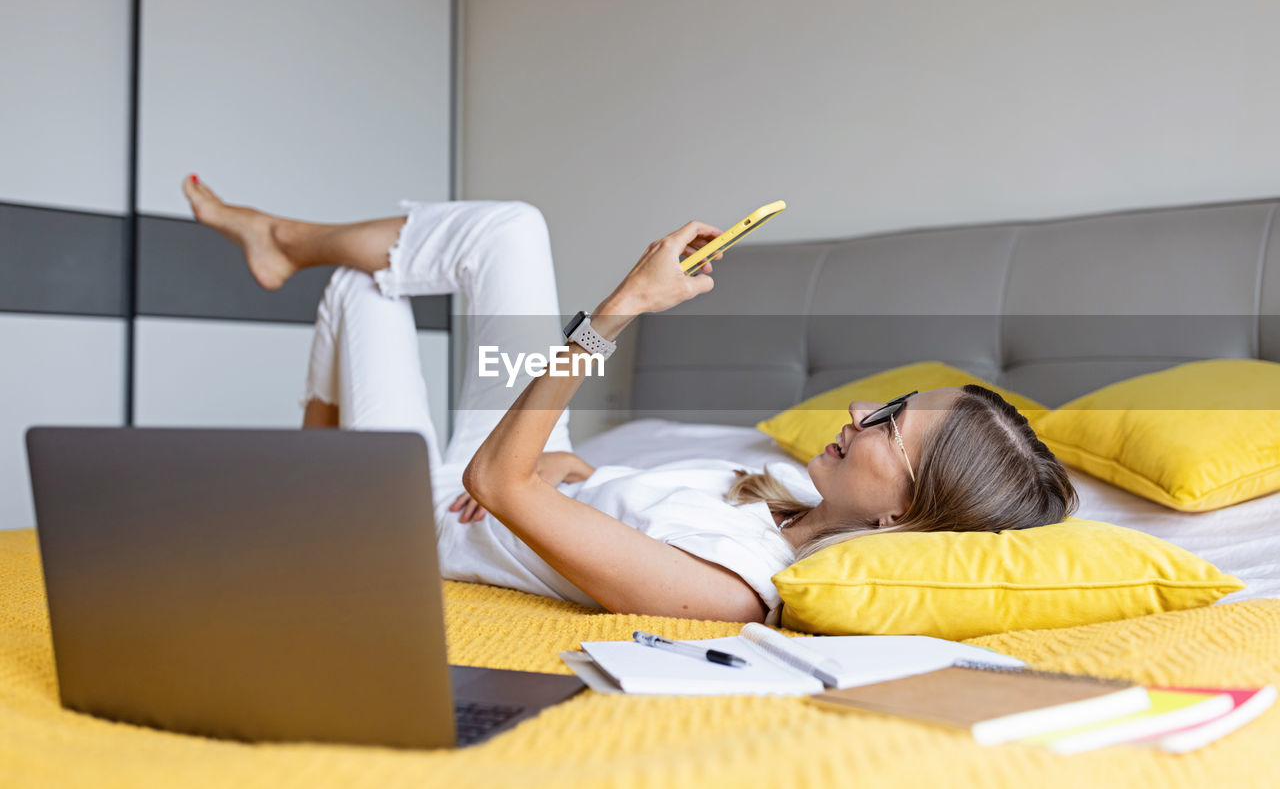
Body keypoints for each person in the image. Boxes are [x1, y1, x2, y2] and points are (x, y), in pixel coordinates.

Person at [182, 176, 1077, 625]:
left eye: (890, 431)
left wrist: (621, 310)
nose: (857, 415)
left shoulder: (737, 593)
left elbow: (499, 486)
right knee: (508, 230)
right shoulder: (776, 489)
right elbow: (567, 489)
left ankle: (311, 506)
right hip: (510, 472)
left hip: (429, 513)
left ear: (902, 521)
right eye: (885, 402)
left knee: (359, 295)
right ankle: (284, 241)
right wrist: (580, 471)